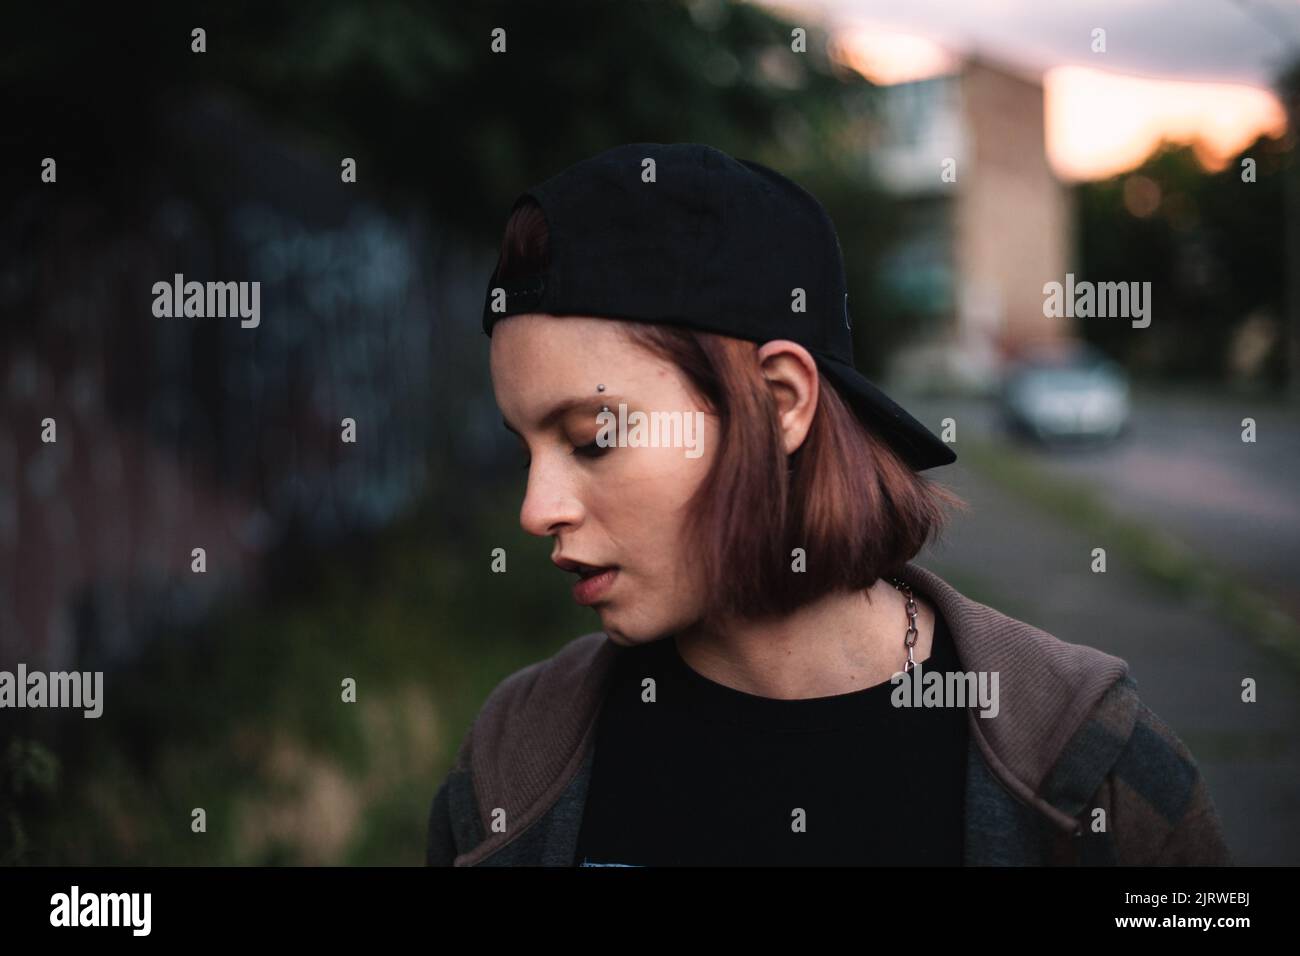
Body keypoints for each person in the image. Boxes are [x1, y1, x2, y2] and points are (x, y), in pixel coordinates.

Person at [426, 143, 1232, 867]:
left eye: (592, 437)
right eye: (524, 447)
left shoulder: (1083, 755)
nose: (536, 510)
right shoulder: (515, 754)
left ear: (781, 402)